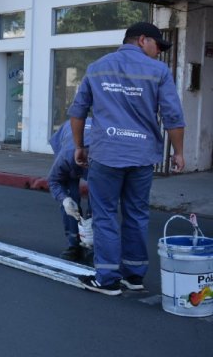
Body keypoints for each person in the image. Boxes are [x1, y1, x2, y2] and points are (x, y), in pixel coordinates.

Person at [68, 22, 185, 296]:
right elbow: (173, 116)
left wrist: (78, 147)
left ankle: (107, 279)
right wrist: (178, 152)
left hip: (106, 154)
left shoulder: (98, 67)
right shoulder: (159, 72)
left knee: (105, 215)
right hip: (142, 157)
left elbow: (78, 111)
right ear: (143, 40)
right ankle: (134, 276)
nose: (159, 52)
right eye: (158, 46)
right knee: (136, 214)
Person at [47, 118, 92, 262]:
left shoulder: (103, 158)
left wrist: (92, 216)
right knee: (71, 196)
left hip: (94, 158)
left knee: (98, 204)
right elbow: (54, 181)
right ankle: (74, 245)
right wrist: (64, 200)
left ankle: (91, 244)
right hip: (68, 146)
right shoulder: (66, 156)